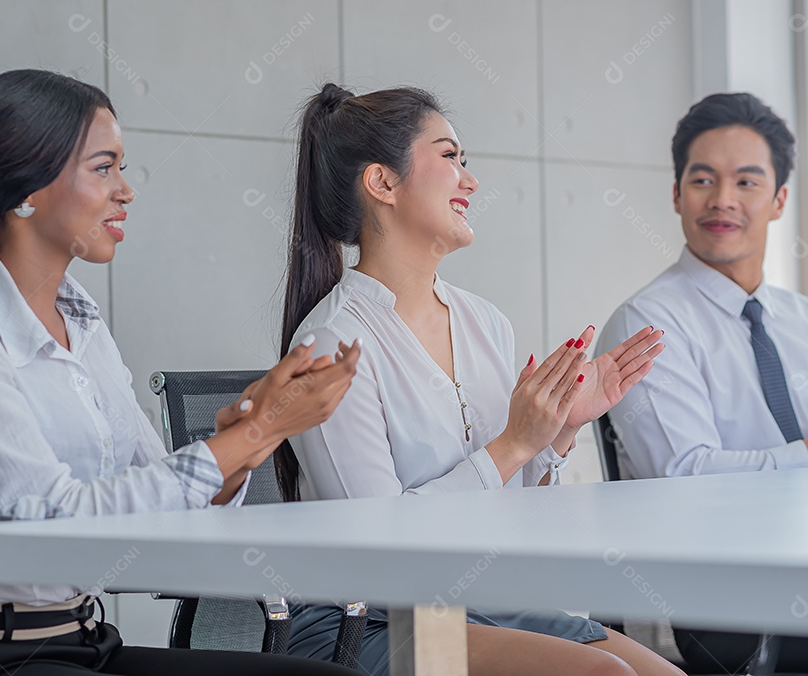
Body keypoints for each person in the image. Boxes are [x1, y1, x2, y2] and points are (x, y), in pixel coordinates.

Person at [0, 69, 360, 676]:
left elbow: (152, 504)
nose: (126, 190)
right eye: (103, 168)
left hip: (80, 641)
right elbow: (46, 520)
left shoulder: (83, 322)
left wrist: (246, 437)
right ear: (26, 186)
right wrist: (251, 435)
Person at [275, 83, 678, 676]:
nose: (470, 180)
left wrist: (557, 433)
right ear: (382, 183)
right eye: (449, 157)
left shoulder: (485, 322)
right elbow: (383, 554)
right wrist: (513, 443)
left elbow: (516, 518)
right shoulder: (328, 346)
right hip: (374, 623)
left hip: (487, 605)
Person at [598, 92, 808, 675]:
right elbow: (683, 477)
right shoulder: (647, 324)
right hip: (733, 599)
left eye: (746, 182)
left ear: (779, 200)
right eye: (702, 180)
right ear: (675, 194)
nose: (722, 201)